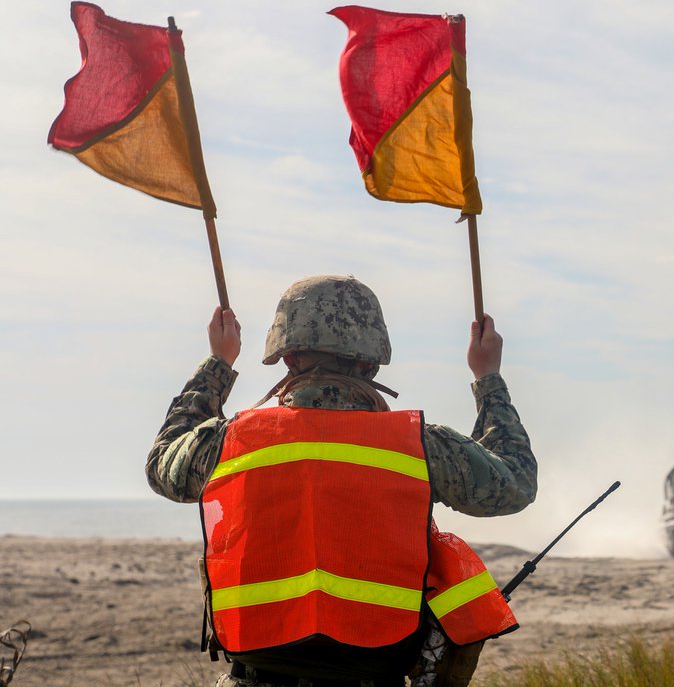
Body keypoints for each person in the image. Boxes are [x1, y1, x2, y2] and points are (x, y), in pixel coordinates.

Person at [146, 275, 537, 686]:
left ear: (288, 358)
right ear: (370, 362)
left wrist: (218, 365)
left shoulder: (229, 440)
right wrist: (488, 378)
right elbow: (515, 484)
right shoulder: (420, 444)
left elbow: (162, 465)